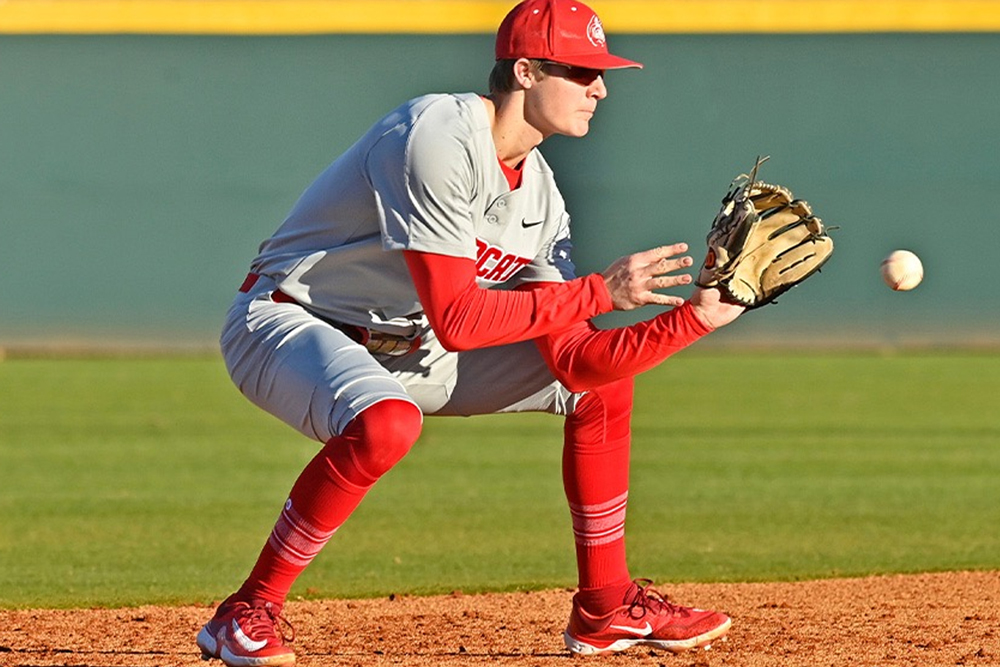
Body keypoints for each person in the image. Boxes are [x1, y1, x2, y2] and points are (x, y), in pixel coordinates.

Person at [196, 0, 745, 664]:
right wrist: (601, 290)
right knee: (387, 425)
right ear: (524, 71)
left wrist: (699, 315)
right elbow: (460, 318)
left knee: (600, 391)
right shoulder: (436, 135)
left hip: (413, 342)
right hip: (289, 320)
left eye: (602, 73)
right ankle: (247, 608)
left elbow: (576, 359)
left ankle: (605, 605)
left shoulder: (541, 198)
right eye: (580, 70)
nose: (600, 87)